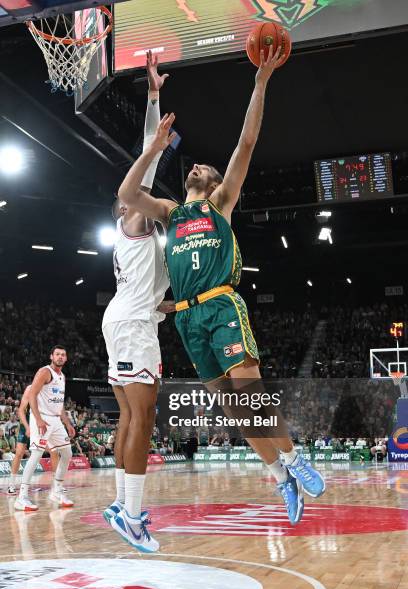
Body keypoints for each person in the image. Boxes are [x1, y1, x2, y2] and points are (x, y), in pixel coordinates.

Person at [117, 44, 325, 525]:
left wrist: (260, 82)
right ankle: (281, 479)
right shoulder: (171, 213)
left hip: (222, 307)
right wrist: (154, 148)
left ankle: (296, 460)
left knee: (249, 395)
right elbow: (128, 195)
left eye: (202, 168)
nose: (196, 167)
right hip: (188, 317)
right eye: (193, 166)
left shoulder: (221, 203)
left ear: (211, 182)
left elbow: (246, 143)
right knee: (234, 411)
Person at [101, 51, 170, 552]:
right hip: (130, 327)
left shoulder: (142, 245)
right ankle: (130, 515)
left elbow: (157, 300)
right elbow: (145, 166)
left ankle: (122, 506)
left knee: (131, 418)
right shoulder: (130, 222)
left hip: (130, 320)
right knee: (143, 421)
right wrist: (151, 97)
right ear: (124, 211)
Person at [14, 346, 75, 511]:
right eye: (57, 354)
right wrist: (39, 419)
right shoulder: (44, 372)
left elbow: (59, 404)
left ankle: (56, 491)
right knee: (36, 454)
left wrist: (67, 423)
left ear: (66, 358)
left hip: (56, 421)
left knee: (67, 452)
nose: (60, 357)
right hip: (41, 418)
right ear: (51, 356)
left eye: (63, 354)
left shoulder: (62, 377)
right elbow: (32, 394)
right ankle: (22, 497)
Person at [7, 385, 59, 496]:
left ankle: (56, 485)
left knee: (54, 451)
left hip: (40, 425)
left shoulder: (49, 392)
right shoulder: (30, 389)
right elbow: (21, 411)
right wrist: (27, 427)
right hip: (26, 424)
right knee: (19, 453)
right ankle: (12, 485)